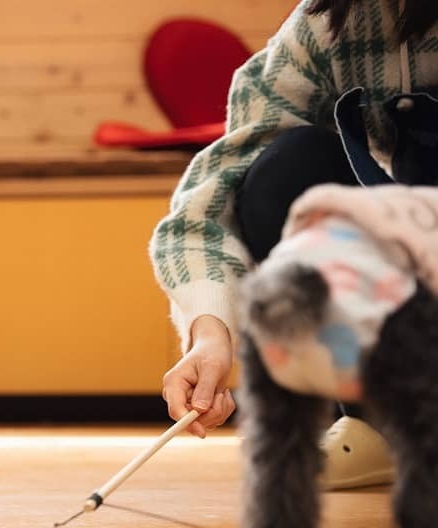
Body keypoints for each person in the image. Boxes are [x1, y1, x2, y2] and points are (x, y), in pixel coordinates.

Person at [151, 0, 438, 484]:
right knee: (286, 165)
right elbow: (217, 191)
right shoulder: (323, 27)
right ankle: (380, 422)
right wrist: (211, 332)